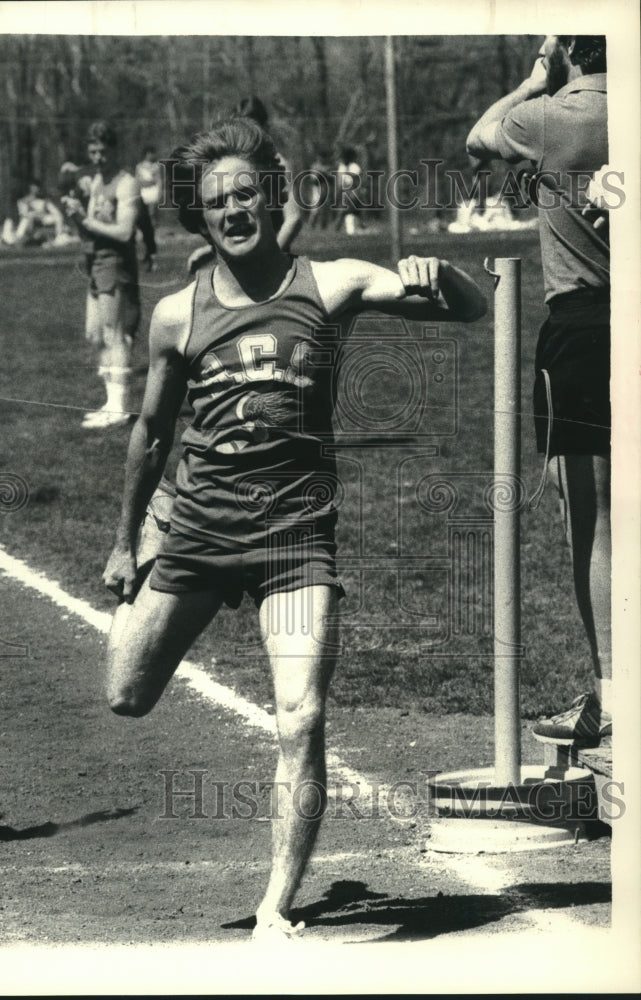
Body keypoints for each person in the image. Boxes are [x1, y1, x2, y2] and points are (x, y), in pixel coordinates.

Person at [102, 117, 487, 941]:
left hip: (293, 539)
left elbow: (472, 311)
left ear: (271, 195)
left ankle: (278, 904)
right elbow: (149, 433)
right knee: (125, 694)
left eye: (245, 192)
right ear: (199, 219)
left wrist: (441, 274)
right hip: (196, 529)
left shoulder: (334, 282)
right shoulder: (177, 314)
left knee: (300, 715)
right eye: (214, 203)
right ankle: (147, 579)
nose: (232, 209)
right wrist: (129, 536)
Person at [467, 35, 611, 746]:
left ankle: (612, 693)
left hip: (583, 328)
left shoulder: (554, 115)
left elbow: (477, 139)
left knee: (596, 528)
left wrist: (531, 78)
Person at [62, 121, 143, 430]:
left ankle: (119, 406)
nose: (97, 157)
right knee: (94, 334)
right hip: (95, 262)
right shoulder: (96, 181)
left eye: (102, 151)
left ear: (114, 150)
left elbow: (124, 232)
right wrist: (76, 217)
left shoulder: (126, 183)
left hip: (116, 263)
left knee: (115, 332)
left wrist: (85, 219)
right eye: (92, 151)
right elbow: (91, 227)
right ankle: (110, 402)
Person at [186, 96, 304, 274]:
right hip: (243, 262)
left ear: (265, 128)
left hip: (273, 265)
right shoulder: (232, 164)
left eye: (253, 128)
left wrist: (268, 259)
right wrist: (210, 251)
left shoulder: (278, 164)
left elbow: (293, 219)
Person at [134, 147, 162, 270]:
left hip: (152, 195)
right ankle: (146, 250)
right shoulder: (139, 166)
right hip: (142, 195)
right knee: (141, 222)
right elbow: (137, 181)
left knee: (151, 223)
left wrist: (159, 196)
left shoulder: (155, 166)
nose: (154, 155)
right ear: (147, 154)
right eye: (152, 153)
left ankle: (151, 253)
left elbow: (158, 181)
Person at [14, 180, 64, 245]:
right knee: (27, 217)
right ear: (29, 188)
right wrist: (34, 213)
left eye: (36, 187)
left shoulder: (44, 200)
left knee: (58, 217)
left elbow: (55, 212)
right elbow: (23, 214)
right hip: (30, 221)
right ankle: (18, 238)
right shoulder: (23, 201)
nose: (35, 189)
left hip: (43, 219)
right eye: (33, 187)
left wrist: (45, 212)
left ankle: (59, 236)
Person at [335, 146, 363, 236]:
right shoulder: (342, 167)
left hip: (352, 191)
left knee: (354, 210)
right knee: (346, 210)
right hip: (345, 192)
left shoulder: (354, 167)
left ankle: (360, 226)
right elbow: (339, 180)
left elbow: (356, 180)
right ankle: (338, 228)